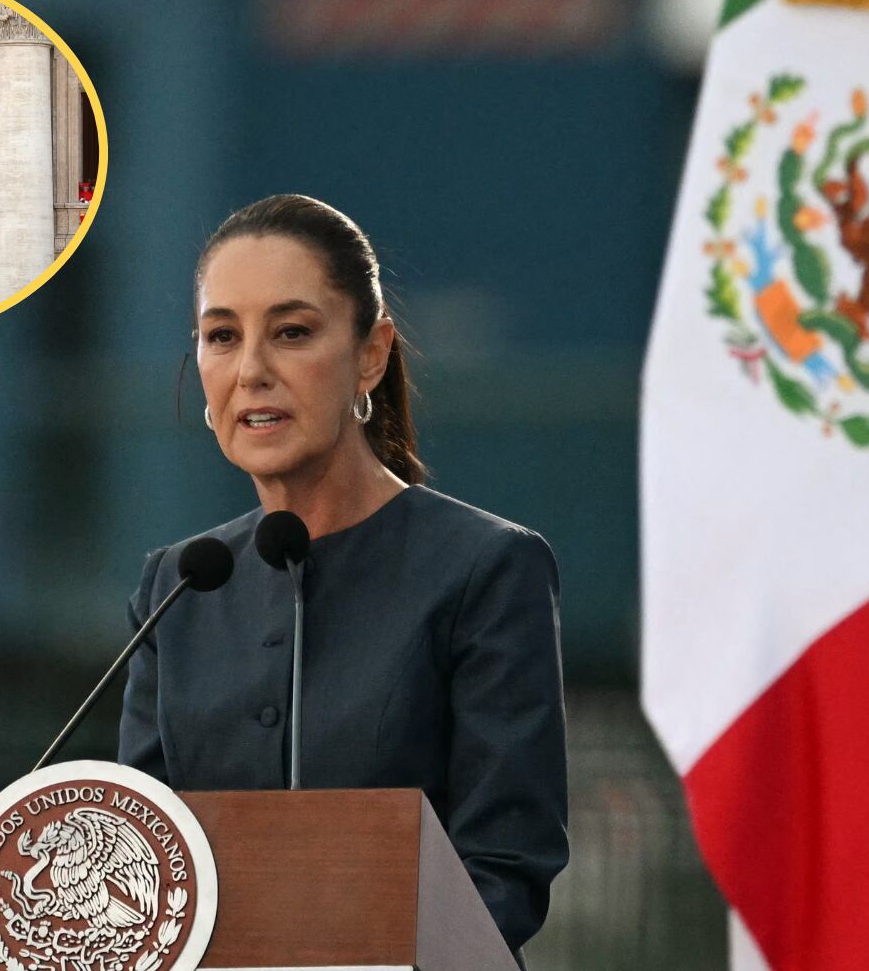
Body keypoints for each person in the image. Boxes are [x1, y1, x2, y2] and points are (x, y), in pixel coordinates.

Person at [118, 194, 567, 968]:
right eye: (222, 336)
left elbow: (504, 870)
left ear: (371, 353)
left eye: (291, 332)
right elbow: (147, 862)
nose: (251, 371)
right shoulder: (179, 586)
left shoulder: (486, 568)